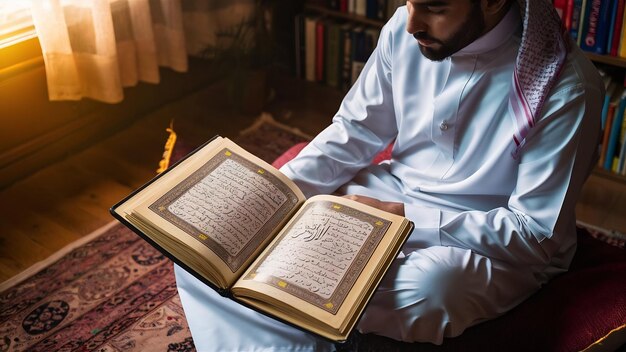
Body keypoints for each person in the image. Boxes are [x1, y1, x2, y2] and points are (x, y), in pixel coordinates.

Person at [175, 0, 605, 349]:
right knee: (209, 245)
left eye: (434, 7)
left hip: (488, 237)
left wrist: (404, 217)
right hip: (387, 191)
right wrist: (277, 192)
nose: (412, 22)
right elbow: (355, 131)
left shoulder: (566, 89)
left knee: (432, 289)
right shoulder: (406, 25)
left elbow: (534, 233)